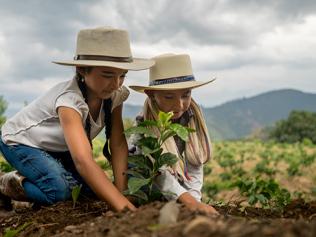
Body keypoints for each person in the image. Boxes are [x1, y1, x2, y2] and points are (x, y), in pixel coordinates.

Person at [0, 27, 154, 212]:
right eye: (107, 75)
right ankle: (6, 183)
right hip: (22, 142)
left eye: (122, 76)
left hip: (59, 147)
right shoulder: (69, 101)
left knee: (90, 191)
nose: (115, 84)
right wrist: (125, 209)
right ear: (82, 69)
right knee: (60, 192)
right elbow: (83, 161)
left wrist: (123, 193)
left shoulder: (115, 95)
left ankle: (39, 176)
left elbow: (118, 143)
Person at [128, 53, 218, 215]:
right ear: (151, 94)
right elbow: (158, 172)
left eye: (186, 94)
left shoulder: (191, 116)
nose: (179, 105)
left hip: (170, 183)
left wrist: (195, 201)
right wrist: (188, 201)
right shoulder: (144, 124)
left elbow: (194, 162)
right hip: (142, 182)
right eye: (169, 96)